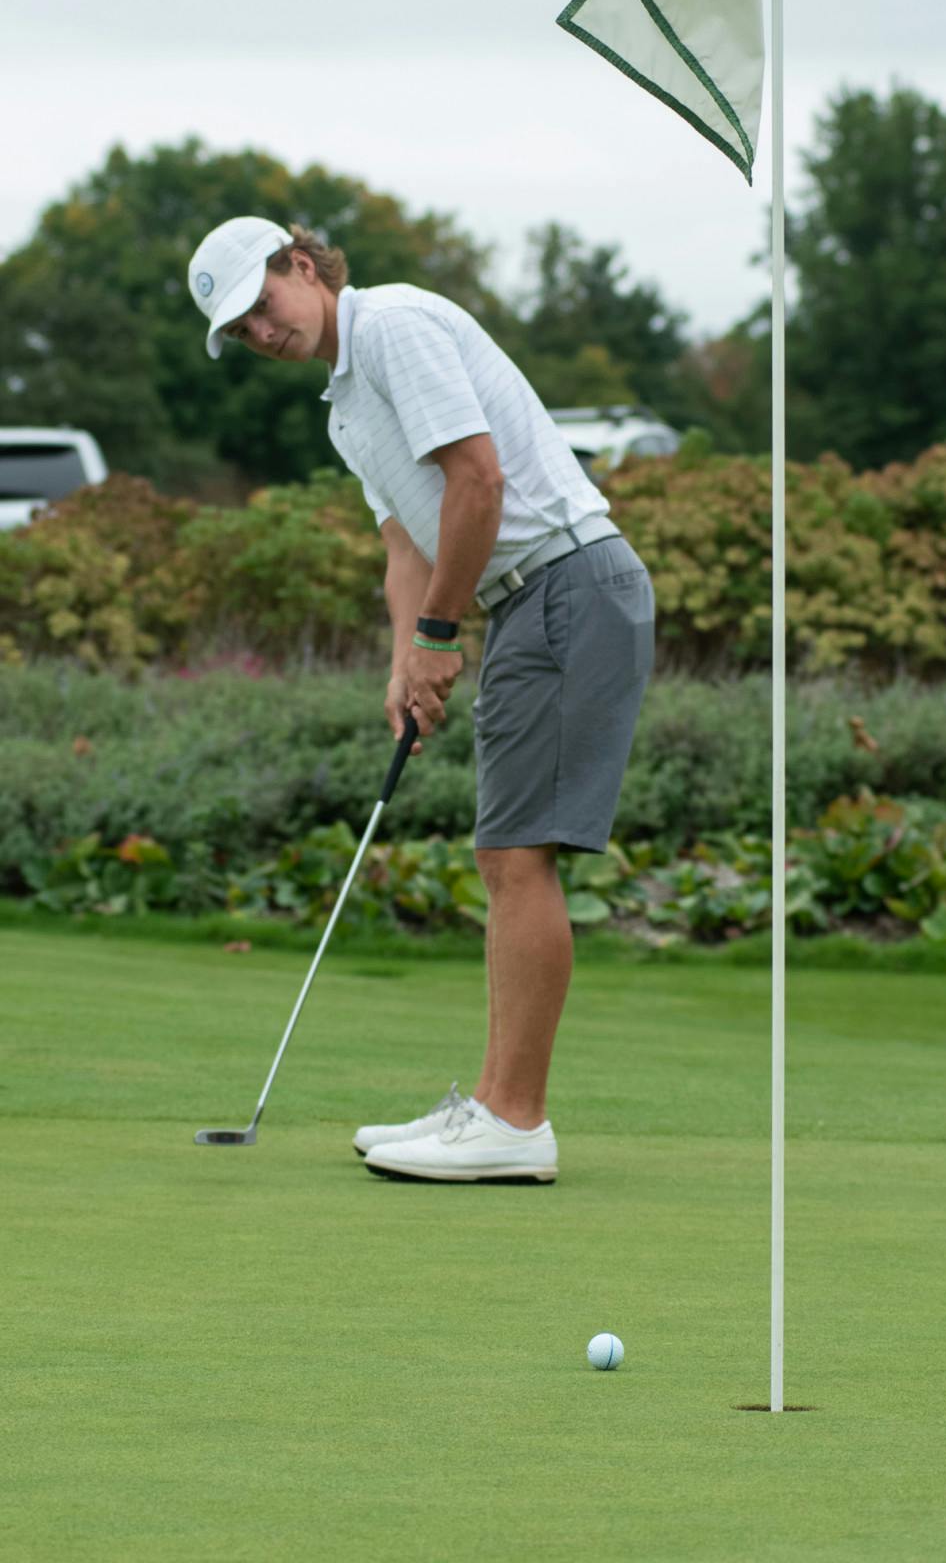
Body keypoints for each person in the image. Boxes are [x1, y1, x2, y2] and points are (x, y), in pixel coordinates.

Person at [186, 213, 655, 1185]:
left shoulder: (394, 324)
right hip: (530, 601)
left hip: (567, 584)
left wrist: (442, 636)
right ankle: (492, 1108)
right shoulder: (343, 407)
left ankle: (515, 1121)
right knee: (505, 850)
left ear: (302, 266)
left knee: (517, 852)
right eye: (241, 330)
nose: (260, 333)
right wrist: (405, 657)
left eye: (262, 305)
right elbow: (409, 539)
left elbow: (476, 482)